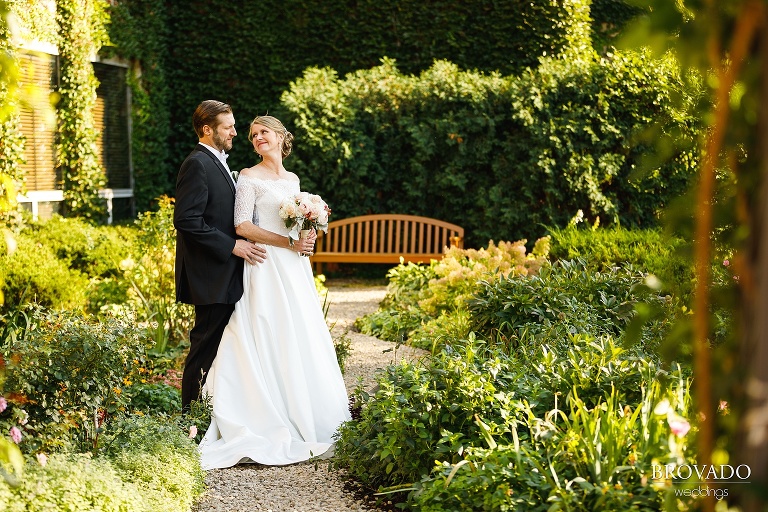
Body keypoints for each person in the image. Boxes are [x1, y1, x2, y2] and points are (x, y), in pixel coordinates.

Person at [198, 115, 350, 469]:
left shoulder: (293, 179)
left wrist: (308, 233)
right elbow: (243, 225)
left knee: (299, 334)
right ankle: (266, 412)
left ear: (281, 137)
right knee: (269, 330)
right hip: (265, 266)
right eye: (252, 135)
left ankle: (305, 411)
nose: (256, 138)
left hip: (294, 269)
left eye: (263, 132)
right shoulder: (247, 177)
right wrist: (289, 242)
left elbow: (296, 223)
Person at [174, 101, 315, 411]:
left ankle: (215, 412)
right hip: (211, 272)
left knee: (226, 348)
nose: (237, 134)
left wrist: (309, 226)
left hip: (238, 269)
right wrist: (232, 245)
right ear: (209, 130)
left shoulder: (221, 163)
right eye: (230, 127)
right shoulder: (197, 162)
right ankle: (189, 420)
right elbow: (187, 220)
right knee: (204, 348)